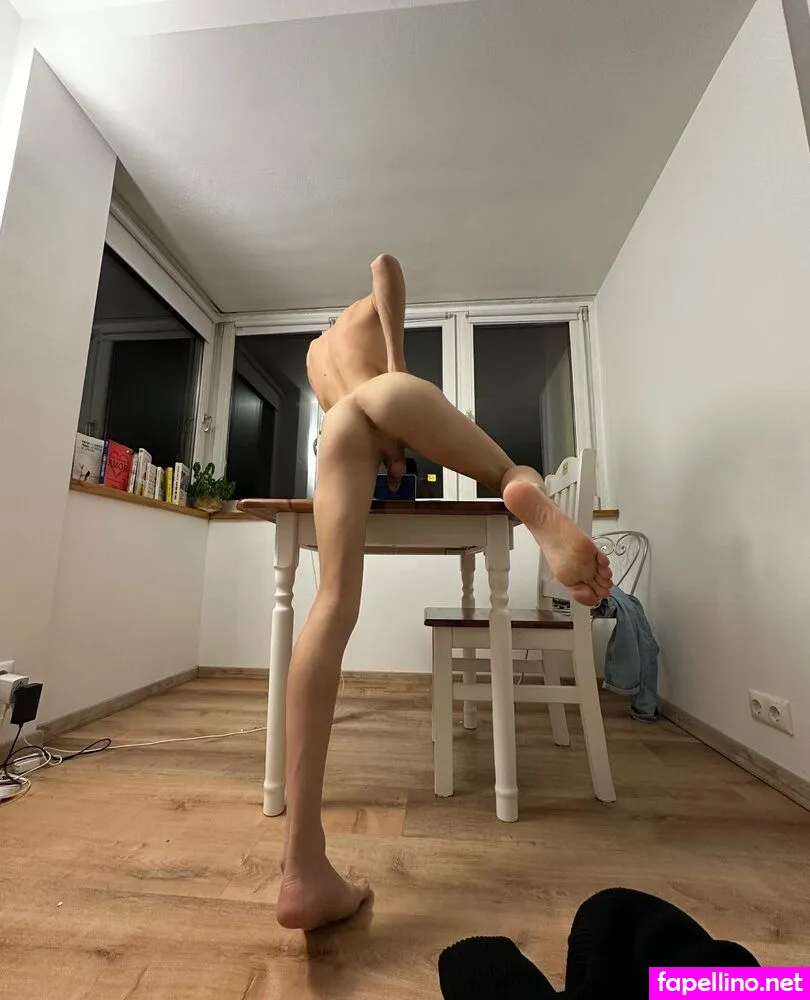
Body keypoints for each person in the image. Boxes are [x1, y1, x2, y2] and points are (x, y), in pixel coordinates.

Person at [276, 254, 613, 931]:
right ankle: (522, 495)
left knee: (330, 602)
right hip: (389, 396)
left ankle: (301, 864)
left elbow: (353, 412)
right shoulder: (356, 317)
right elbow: (385, 266)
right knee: (510, 471)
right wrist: (398, 372)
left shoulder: (315, 357)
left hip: (337, 431)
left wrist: (387, 449)